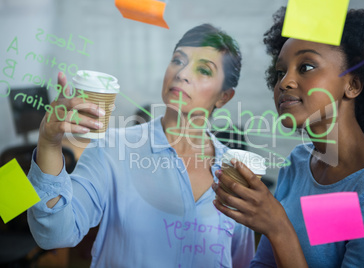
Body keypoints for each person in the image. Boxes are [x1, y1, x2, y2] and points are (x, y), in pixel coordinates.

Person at [27, 24, 255, 267]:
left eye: (203, 70)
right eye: (178, 60)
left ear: (224, 96)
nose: (182, 73)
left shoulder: (236, 172)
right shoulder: (112, 149)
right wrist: (49, 143)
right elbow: (54, 234)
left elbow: (243, 261)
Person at [213, 7, 364, 267]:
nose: (285, 83)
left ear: (353, 85)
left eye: (306, 67)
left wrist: (277, 226)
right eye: (280, 72)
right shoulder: (300, 164)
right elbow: (269, 263)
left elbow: (286, 237)